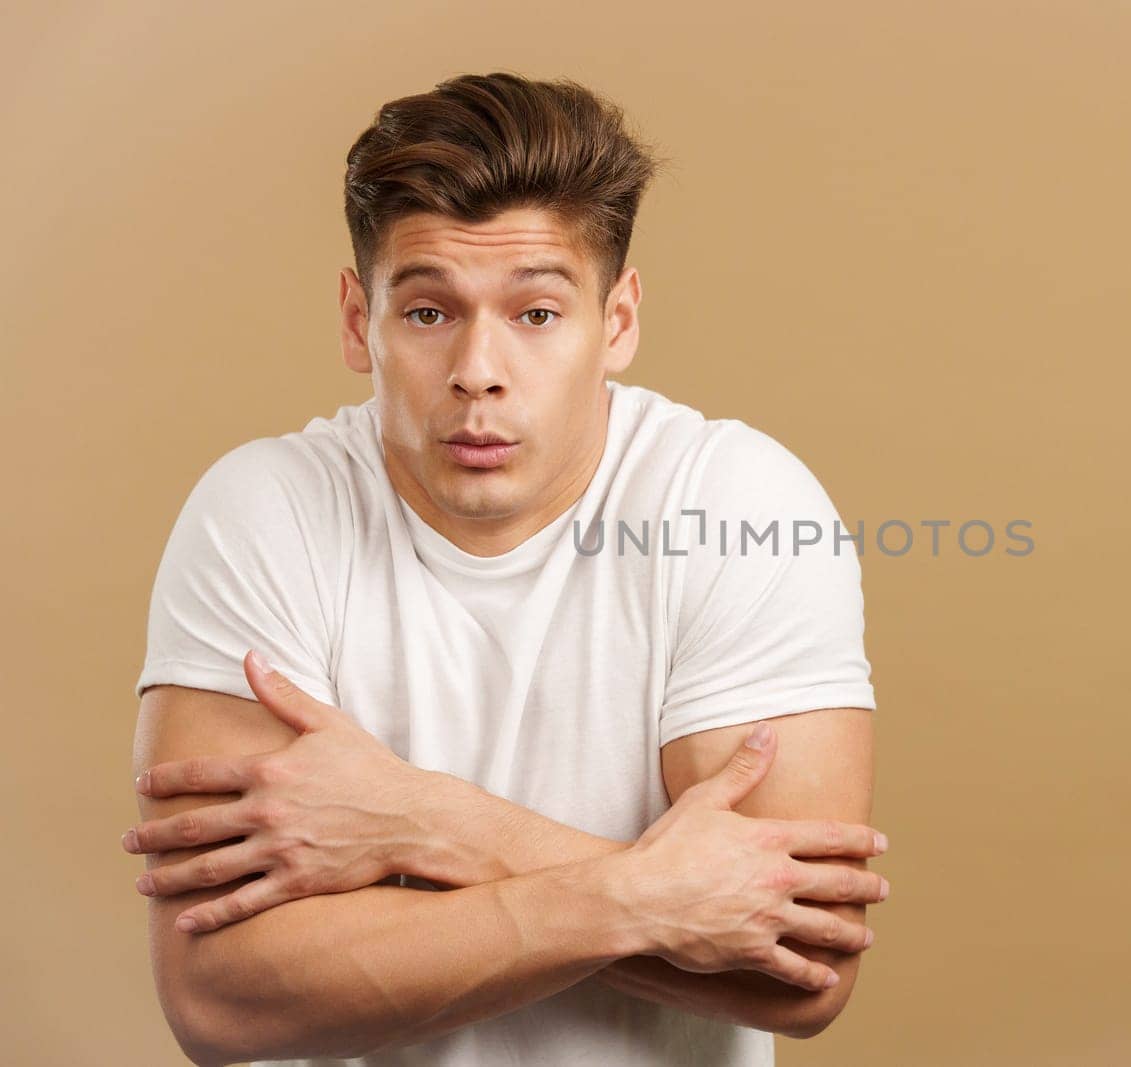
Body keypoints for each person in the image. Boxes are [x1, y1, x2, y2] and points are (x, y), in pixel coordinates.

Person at [125, 71, 886, 1067]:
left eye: (534, 314)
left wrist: (423, 820)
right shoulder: (265, 513)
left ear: (616, 323)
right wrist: (641, 893)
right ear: (361, 321)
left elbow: (797, 962)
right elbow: (222, 998)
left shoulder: (737, 505)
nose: (477, 369)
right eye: (430, 310)